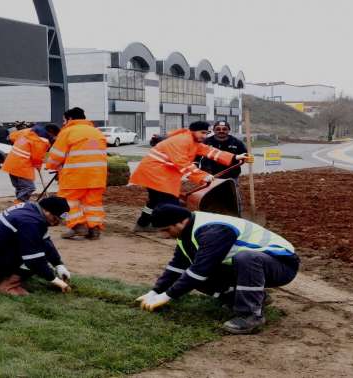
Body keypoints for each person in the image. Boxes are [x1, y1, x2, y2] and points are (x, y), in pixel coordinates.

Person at [136, 204, 300, 334]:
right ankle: (251, 297)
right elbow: (178, 266)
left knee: (243, 258)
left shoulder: (213, 230)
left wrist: (168, 296)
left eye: (166, 230)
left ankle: (250, 316)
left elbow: (200, 270)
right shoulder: (185, 234)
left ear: (180, 222)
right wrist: (156, 291)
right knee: (193, 274)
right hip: (252, 267)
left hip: (282, 264)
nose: (164, 235)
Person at [129, 121, 253, 232]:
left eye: (206, 133)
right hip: (155, 173)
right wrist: (203, 176)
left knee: (155, 200)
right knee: (171, 202)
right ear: (193, 131)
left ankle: (143, 224)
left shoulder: (193, 141)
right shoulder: (181, 141)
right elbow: (183, 164)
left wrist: (235, 157)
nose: (205, 136)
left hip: (160, 172)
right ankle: (176, 229)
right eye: (202, 133)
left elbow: (210, 151)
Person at [0, 197, 72, 296]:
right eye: (55, 219)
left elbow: (45, 241)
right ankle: (8, 286)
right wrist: (54, 280)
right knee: (33, 256)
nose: (56, 223)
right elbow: (34, 260)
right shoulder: (30, 221)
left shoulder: (30, 209)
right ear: (47, 211)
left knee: (34, 247)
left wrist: (58, 264)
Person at [45, 107, 107, 240]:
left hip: (75, 176)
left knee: (66, 202)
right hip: (97, 176)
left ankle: (77, 226)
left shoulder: (68, 131)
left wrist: (50, 166)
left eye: (64, 120)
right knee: (93, 203)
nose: (63, 123)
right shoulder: (97, 132)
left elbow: (56, 155)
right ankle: (94, 229)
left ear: (70, 119)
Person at [2, 123, 61, 204]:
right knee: (29, 187)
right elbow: (37, 157)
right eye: (55, 136)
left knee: (20, 187)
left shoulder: (28, 130)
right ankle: (19, 203)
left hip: (10, 163)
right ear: (51, 133)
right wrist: (39, 165)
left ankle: (19, 203)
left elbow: (11, 137)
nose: (55, 139)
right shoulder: (42, 141)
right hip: (22, 165)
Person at [200, 121, 248, 213]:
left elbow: (244, 155)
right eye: (218, 129)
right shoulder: (206, 142)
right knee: (209, 197)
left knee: (233, 197)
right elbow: (197, 157)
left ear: (229, 130)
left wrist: (247, 158)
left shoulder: (237, 142)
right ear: (214, 130)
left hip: (231, 176)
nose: (221, 131)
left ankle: (236, 214)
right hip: (210, 176)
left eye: (224, 129)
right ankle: (209, 214)